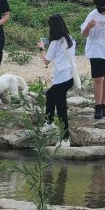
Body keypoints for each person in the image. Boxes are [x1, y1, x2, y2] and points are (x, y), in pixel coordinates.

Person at [38, 14, 76, 146]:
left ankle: (65, 138)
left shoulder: (55, 43)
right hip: (70, 77)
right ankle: (49, 123)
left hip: (61, 78)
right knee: (50, 94)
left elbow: (46, 61)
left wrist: (41, 48)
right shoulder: (71, 39)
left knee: (61, 109)